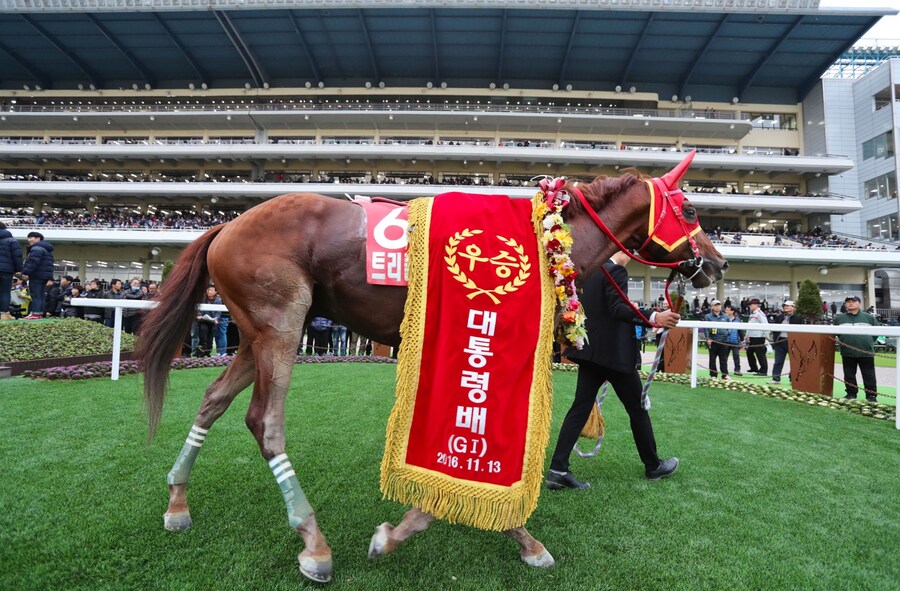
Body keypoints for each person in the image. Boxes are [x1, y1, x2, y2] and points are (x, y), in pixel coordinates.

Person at [546, 251, 681, 490]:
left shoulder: (586, 272)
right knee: (637, 410)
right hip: (615, 356)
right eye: (630, 250)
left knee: (579, 409)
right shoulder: (615, 270)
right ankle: (653, 466)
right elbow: (618, 308)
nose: (632, 255)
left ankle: (558, 469)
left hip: (590, 352)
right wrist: (654, 316)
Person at [833, 295, 878, 402]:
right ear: (845, 304)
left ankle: (871, 396)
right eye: (848, 302)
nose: (851, 303)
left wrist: (867, 343)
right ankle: (851, 394)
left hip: (865, 352)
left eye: (853, 301)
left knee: (869, 375)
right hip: (847, 352)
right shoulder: (839, 319)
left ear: (859, 303)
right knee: (849, 375)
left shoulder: (869, 318)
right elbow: (836, 333)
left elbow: (876, 333)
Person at [20, 232, 55, 319]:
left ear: (38, 238)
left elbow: (33, 262)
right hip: (44, 275)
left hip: (36, 275)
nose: (29, 240)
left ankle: (35, 313)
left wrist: (25, 272)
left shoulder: (36, 248)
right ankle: (38, 313)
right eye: (28, 238)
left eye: (31, 238)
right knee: (41, 295)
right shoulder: (46, 249)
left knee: (35, 295)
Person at [769, 300, 803, 384]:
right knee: (778, 361)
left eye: (788, 306)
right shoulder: (780, 317)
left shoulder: (799, 318)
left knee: (795, 361)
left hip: (793, 342)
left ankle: (793, 379)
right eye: (785, 306)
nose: (785, 307)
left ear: (793, 307)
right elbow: (775, 329)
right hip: (780, 341)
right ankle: (776, 379)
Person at [0, 221, 23, 320]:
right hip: (6, 270)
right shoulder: (12, 240)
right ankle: (4, 314)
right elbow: (17, 256)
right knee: (5, 292)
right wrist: (18, 269)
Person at [703, 299, 731, 379]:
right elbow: (706, 329)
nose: (718, 306)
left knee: (724, 359)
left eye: (719, 305)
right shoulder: (708, 317)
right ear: (712, 307)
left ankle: (725, 374)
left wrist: (727, 333)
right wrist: (708, 338)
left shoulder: (725, 316)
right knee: (712, 359)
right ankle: (713, 375)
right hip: (713, 341)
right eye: (715, 305)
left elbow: (730, 327)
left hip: (724, 341)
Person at [744, 298, 769, 376]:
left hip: (758, 337)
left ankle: (763, 370)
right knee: (749, 353)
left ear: (755, 305)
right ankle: (754, 368)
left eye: (751, 305)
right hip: (753, 337)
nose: (749, 306)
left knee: (760, 354)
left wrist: (766, 335)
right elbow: (750, 326)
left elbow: (765, 325)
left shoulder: (759, 313)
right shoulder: (753, 314)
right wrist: (747, 335)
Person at [195, 285, 221, 357]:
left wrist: (216, 319)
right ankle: (201, 353)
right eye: (208, 290)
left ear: (215, 292)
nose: (209, 292)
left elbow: (218, 312)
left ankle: (208, 352)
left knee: (210, 337)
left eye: (211, 290)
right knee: (203, 337)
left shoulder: (218, 301)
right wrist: (199, 315)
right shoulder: (202, 298)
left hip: (213, 322)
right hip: (203, 321)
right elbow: (198, 308)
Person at [723, 303, 743, 376]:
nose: (726, 311)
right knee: (724, 357)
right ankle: (724, 371)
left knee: (736, 356)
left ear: (732, 311)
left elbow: (741, 331)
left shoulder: (738, 320)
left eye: (728, 310)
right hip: (725, 341)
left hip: (735, 341)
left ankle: (737, 370)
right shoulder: (724, 319)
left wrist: (741, 340)